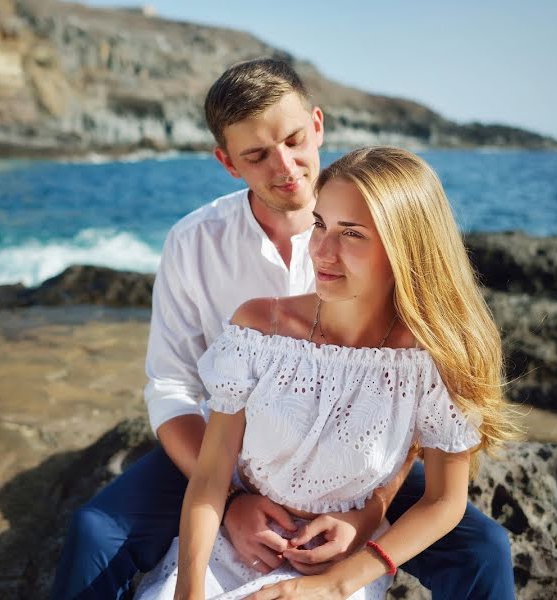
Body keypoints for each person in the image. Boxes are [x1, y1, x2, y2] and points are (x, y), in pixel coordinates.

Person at [51, 60, 516, 600]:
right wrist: (232, 497)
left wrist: (372, 509)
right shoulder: (194, 244)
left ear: (317, 125)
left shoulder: (375, 219)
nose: (287, 167)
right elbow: (173, 387)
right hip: (226, 450)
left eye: (295, 140)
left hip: (361, 457)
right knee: (94, 533)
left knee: (485, 550)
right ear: (227, 163)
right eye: (257, 155)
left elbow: (405, 405)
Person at [132, 146, 520, 600]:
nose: (323, 250)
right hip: (228, 548)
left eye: (351, 234)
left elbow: (443, 502)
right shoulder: (259, 329)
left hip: (341, 567)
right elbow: (211, 475)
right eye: (320, 224)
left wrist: (336, 585)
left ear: (406, 248)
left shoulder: (433, 360)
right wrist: (189, 590)